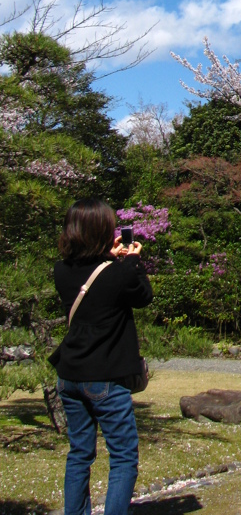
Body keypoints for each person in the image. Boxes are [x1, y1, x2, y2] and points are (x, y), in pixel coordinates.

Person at [49, 198, 153, 515]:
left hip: (70, 376)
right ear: (100, 232)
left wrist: (114, 260)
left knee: (80, 453)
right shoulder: (118, 273)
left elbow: (91, 283)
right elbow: (143, 297)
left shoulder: (61, 271)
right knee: (123, 455)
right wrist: (133, 261)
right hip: (105, 379)